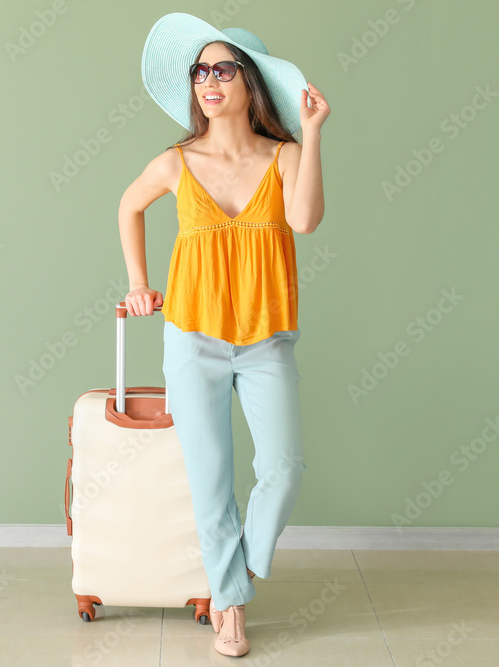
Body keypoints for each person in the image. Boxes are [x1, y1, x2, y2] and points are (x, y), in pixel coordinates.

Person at [117, 13, 328, 658]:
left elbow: (306, 221)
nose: (208, 82)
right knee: (210, 480)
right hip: (192, 337)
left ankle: (237, 570)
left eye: (222, 69)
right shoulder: (176, 162)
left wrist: (313, 133)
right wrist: (137, 282)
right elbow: (128, 205)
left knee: (283, 469)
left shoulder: (285, 156)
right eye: (200, 72)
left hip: (266, 339)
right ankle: (229, 608)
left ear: (251, 83)